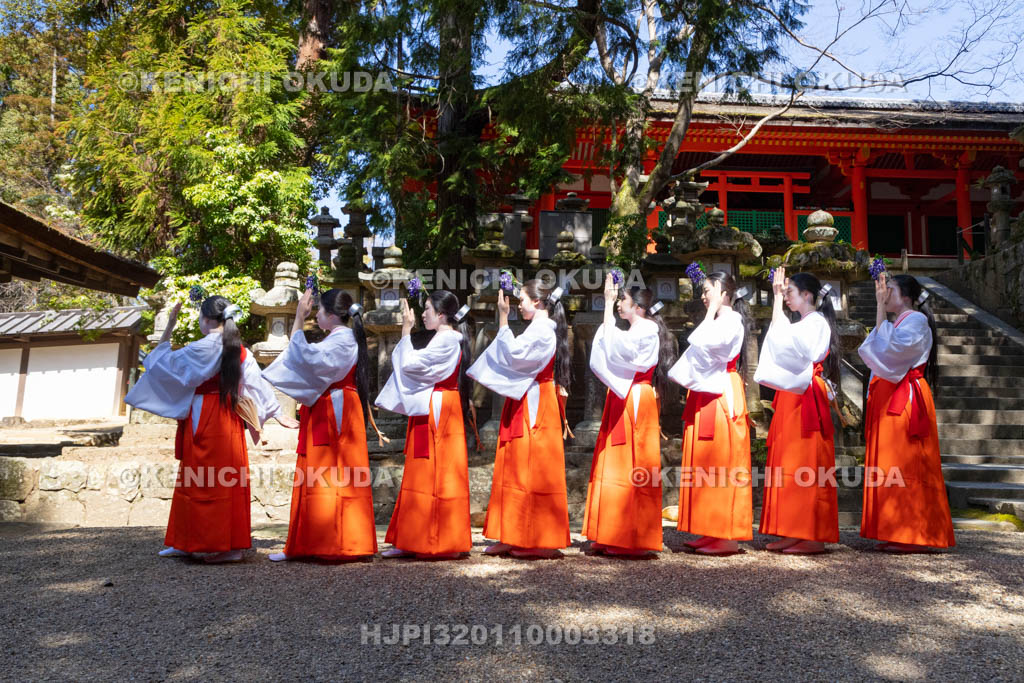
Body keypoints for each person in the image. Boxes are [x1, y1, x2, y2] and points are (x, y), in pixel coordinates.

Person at [126, 296, 296, 563]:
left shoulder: (200, 348)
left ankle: (212, 545)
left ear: (206, 319)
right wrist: (276, 413)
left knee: (195, 477)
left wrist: (169, 326)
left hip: (202, 413)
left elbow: (158, 363)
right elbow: (256, 385)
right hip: (227, 415)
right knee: (224, 480)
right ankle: (208, 543)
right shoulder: (239, 350)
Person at [262, 288, 379, 561]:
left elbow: (306, 358)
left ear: (331, 315)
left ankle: (336, 542)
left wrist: (299, 319)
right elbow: (305, 357)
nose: (316, 315)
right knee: (328, 472)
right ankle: (314, 542)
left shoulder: (341, 340)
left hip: (335, 408)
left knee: (331, 473)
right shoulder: (339, 339)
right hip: (333, 405)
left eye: (319, 311)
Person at [468, 281, 572, 559]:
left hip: (535, 402)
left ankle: (534, 537)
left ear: (538, 302)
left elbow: (513, 355)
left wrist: (503, 318)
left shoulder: (542, 331)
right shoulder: (538, 329)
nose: (519, 305)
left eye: (523, 299)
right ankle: (511, 533)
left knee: (530, 466)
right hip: (526, 397)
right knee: (514, 464)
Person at [858, 273, 956, 552]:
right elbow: (879, 349)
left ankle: (914, 532)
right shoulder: (899, 321)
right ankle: (894, 529)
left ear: (907, 296)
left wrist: (878, 308)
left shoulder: (915, 320)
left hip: (905, 396)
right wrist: (880, 310)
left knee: (905, 463)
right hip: (892, 394)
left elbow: (890, 352)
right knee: (891, 463)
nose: (885, 294)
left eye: (889, 289)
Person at [583, 274, 676, 557]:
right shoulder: (637, 328)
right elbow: (616, 345)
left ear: (637, 306)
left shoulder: (646, 328)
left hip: (635, 397)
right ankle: (611, 532)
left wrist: (608, 309)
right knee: (614, 462)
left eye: (623, 299)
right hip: (624, 394)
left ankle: (633, 537)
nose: (620, 303)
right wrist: (610, 311)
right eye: (620, 299)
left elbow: (622, 350)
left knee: (632, 463)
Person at [375, 290, 473, 559]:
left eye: (428, 309)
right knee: (421, 471)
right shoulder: (443, 339)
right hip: (432, 405)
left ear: (441, 314)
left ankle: (441, 540)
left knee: (438, 472)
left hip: (440, 408)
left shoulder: (447, 340)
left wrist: (406, 331)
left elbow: (410, 365)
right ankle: (413, 538)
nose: (423, 314)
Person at [754, 268, 841, 554]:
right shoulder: (802, 322)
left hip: (805, 395)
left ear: (807, 295)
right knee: (788, 464)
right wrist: (778, 299)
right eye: (786, 292)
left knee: (806, 464)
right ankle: (792, 530)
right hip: (793, 393)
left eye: (791, 292)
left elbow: (789, 346)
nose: (787, 297)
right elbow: (781, 341)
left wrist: (777, 300)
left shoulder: (816, 323)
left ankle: (812, 534)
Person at [668, 271, 752, 556]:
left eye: (707, 290)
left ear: (721, 290)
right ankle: (709, 528)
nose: (703, 296)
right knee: (706, 461)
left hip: (721, 392)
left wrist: (712, 312)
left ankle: (726, 534)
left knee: (722, 461)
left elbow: (702, 343)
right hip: (707, 390)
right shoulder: (720, 320)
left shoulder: (732, 320)